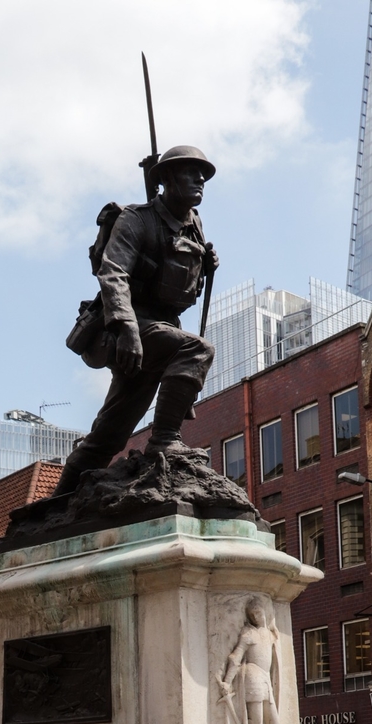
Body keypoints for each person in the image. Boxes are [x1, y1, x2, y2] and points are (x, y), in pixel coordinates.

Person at [53, 145, 218, 495]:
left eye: (202, 173)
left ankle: (57, 501)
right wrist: (126, 328)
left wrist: (206, 262)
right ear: (168, 178)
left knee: (110, 434)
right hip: (129, 328)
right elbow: (113, 273)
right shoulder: (136, 219)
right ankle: (165, 441)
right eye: (190, 171)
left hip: (161, 330)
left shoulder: (195, 226)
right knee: (197, 349)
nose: (200, 178)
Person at [219, 598, 282, 724]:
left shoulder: (270, 635)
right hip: (253, 678)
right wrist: (227, 682)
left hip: (266, 681)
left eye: (259, 612)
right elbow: (236, 657)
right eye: (253, 614)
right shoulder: (249, 634)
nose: (257, 616)